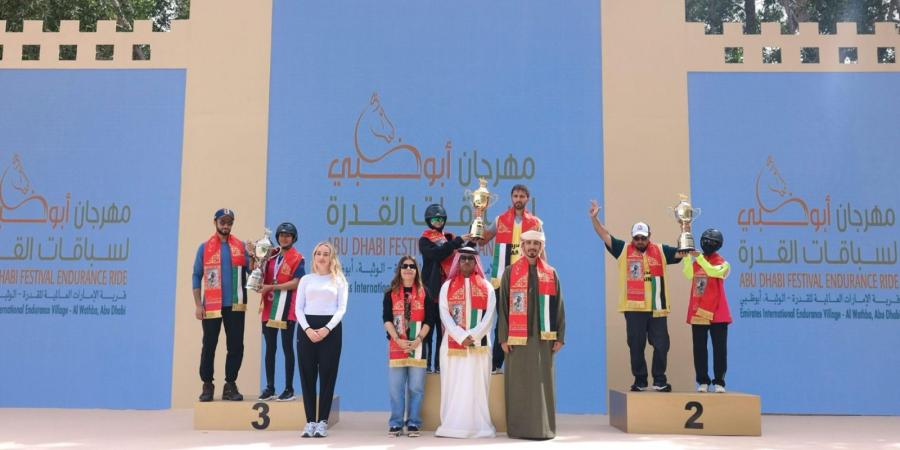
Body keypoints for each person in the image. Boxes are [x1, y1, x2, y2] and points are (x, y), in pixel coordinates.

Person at [589, 200, 686, 392]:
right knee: (636, 345)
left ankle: (659, 379)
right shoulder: (623, 249)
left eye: (643, 237)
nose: (640, 241)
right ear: (632, 237)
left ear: (649, 236)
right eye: (637, 238)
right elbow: (604, 234)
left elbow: (682, 253)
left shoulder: (660, 250)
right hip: (633, 309)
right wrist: (594, 219)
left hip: (657, 308)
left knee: (661, 345)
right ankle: (640, 380)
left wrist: (685, 227)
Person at [498, 230, 565, 440]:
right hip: (517, 339)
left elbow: (560, 307)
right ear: (522, 245)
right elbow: (503, 307)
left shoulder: (551, 273)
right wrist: (502, 337)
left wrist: (560, 336)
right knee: (518, 383)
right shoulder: (510, 272)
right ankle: (518, 429)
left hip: (544, 338)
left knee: (542, 383)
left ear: (541, 247)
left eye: (537, 243)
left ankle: (542, 428)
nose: (532, 247)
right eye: (528, 243)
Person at [478, 184, 543, 372]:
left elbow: (542, 251)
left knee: (524, 320)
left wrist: (545, 274)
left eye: (522, 196)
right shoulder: (500, 220)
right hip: (502, 279)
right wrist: (478, 218)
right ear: (511, 198)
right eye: (515, 195)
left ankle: (522, 363)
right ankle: (496, 364)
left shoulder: (536, 223)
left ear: (527, 199)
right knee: (502, 320)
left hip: (526, 279)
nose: (518, 199)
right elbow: (482, 241)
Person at [435, 246, 496, 438]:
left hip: (480, 346)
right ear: (458, 262)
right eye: (463, 259)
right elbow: (444, 314)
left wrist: (474, 335)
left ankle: (479, 426)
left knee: (477, 386)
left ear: (476, 262)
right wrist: (461, 336)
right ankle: (452, 425)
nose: (467, 262)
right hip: (453, 345)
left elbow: (489, 316)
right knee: (454, 385)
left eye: (471, 259)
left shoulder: (487, 287)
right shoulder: (447, 286)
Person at [192, 208, 250, 402]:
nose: (226, 225)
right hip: (211, 306)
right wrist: (198, 305)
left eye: (229, 222)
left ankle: (230, 384)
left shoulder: (241, 246)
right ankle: (207, 384)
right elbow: (196, 276)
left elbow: (252, 271)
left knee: (236, 346)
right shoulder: (204, 247)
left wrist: (256, 257)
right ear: (215, 222)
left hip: (235, 304)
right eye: (222, 222)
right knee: (209, 345)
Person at [294, 241, 348, 438]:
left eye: (326, 254)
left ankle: (323, 421)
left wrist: (326, 328)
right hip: (306, 330)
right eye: (318, 253)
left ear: (331, 257)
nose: (322, 257)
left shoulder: (339, 280)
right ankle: (310, 421)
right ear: (314, 257)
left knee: (327, 375)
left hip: (330, 332)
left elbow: (341, 308)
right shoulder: (306, 280)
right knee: (307, 376)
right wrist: (307, 328)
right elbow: (298, 308)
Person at [382, 256, 434, 437]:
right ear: (399, 269)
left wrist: (419, 339)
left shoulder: (425, 292)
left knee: (416, 388)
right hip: (397, 346)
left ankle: (413, 423)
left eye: (412, 266)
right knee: (395, 388)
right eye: (405, 266)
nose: (408, 269)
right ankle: (396, 423)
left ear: (417, 270)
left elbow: (430, 320)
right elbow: (386, 319)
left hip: (418, 347)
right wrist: (397, 339)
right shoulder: (390, 293)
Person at [255, 222, 305, 401]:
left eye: (288, 235)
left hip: (286, 308)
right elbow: (260, 273)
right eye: (281, 235)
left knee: (286, 347)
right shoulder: (271, 254)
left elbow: (297, 282)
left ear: (294, 238)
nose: (284, 238)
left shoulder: (298, 258)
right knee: (270, 348)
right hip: (269, 307)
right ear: (277, 237)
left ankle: (289, 388)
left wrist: (272, 287)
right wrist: (255, 255)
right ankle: (270, 387)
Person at [682, 228, 732, 393]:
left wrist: (700, 259)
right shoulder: (698, 262)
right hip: (699, 311)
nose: (708, 244)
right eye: (706, 240)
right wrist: (687, 257)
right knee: (699, 348)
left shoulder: (724, 264)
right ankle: (702, 380)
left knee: (719, 348)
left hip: (718, 312)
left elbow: (712, 271)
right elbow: (688, 274)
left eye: (712, 241)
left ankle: (719, 381)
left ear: (718, 244)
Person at [419, 203, 467, 373]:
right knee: (428, 330)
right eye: (435, 219)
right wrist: (456, 242)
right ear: (429, 220)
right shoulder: (425, 239)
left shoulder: (448, 238)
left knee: (443, 330)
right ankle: (425, 366)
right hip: (431, 291)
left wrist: (472, 238)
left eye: (441, 219)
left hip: (447, 291)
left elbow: (463, 253)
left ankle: (439, 366)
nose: (438, 221)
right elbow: (437, 254)